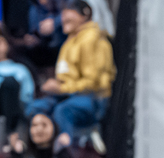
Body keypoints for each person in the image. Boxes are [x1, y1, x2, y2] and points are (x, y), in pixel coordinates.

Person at [24, 0, 114, 148]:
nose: (64, 17)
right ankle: (38, 149)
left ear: (84, 15)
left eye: (69, 13)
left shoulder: (91, 39)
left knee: (63, 111)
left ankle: (64, 152)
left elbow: (92, 82)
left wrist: (61, 88)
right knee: (35, 107)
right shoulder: (70, 41)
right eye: (63, 13)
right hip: (67, 95)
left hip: (91, 98)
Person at [22, 0, 65, 69]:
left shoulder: (64, 3)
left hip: (64, 44)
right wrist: (33, 39)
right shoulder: (34, 9)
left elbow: (74, 14)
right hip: (46, 50)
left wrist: (55, 23)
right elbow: (35, 32)